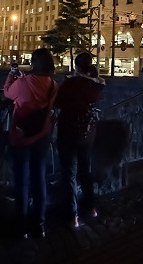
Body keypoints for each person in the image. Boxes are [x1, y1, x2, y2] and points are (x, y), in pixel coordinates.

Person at [3, 47, 57, 239]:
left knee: (21, 181)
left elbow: (8, 93)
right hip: (42, 136)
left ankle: (22, 227)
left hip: (22, 137)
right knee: (39, 178)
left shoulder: (23, 83)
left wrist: (12, 76)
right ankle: (39, 224)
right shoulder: (53, 84)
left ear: (33, 63)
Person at [55, 52, 105, 228]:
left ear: (76, 66)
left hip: (68, 130)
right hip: (87, 132)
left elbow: (57, 102)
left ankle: (72, 215)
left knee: (69, 172)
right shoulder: (96, 84)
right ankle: (91, 207)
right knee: (85, 170)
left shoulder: (72, 83)